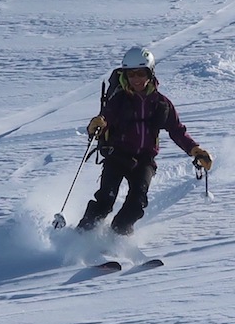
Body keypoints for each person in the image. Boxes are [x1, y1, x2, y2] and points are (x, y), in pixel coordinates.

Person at [76, 46, 212, 235]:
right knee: (105, 200)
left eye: (141, 73)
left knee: (137, 202)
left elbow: (177, 130)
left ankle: (117, 236)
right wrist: (96, 125)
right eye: (131, 75)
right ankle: (81, 237)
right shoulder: (118, 100)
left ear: (150, 73)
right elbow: (104, 120)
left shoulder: (161, 103)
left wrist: (195, 150)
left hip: (144, 161)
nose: (136, 79)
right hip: (117, 156)